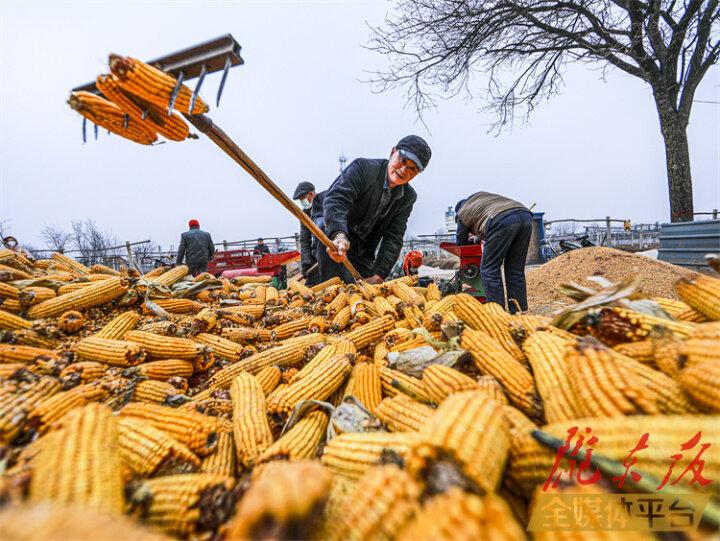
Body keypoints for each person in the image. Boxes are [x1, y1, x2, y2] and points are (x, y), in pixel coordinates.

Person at [318, 135, 432, 284]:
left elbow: (394, 237)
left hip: (364, 245)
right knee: (332, 275)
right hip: (336, 227)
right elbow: (337, 200)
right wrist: (338, 235)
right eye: (402, 161)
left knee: (365, 286)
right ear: (392, 153)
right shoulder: (363, 168)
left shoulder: (407, 197)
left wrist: (380, 274)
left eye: (413, 169)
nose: (404, 170)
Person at [455, 192, 533, 313]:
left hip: (502, 219)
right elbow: (490, 229)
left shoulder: (463, 212)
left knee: (489, 270)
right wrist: (476, 239)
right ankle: (519, 311)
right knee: (515, 270)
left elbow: (460, 242)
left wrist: (469, 239)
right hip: (525, 216)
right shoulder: (481, 200)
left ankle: (498, 313)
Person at [292, 181, 322, 286]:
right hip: (317, 250)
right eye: (300, 201)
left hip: (335, 247)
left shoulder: (327, 203)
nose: (303, 202)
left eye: (303, 199)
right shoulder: (305, 213)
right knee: (312, 282)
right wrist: (306, 262)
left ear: (311, 194)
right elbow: (305, 239)